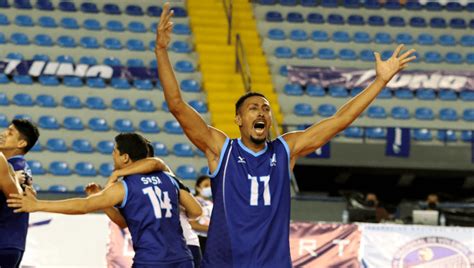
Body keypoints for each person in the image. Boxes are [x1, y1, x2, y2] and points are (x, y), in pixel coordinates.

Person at [155, 3, 416, 266]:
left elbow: (341, 120)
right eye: (253, 108)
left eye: (266, 109)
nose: (261, 113)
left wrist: (380, 81)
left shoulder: (285, 149)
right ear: (238, 120)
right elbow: (177, 105)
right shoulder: (221, 148)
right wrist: (162, 51)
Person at [8, 133, 202, 267]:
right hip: (183, 259)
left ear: (125, 157)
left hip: (151, 260)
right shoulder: (169, 179)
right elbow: (195, 211)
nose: (113, 156)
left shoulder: (124, 186)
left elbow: (83, 206)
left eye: (115, 152)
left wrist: (38, 204)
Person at [0, 119, 39, 268]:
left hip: (4, 240)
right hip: (11, 242)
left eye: (10, 133)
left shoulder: (14, 167)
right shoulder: (20, 167)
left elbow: (17, 198)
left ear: (21, 144)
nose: (3, 134)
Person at [189, 175, 213, 254]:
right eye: (206, 185)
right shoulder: (194, 202)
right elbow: (192, 224)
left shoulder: (211, 203)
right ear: (198, 187)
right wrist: (212, 229)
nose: (209, 188)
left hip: (210, 238)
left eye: (211, 185)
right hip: (199, 239)